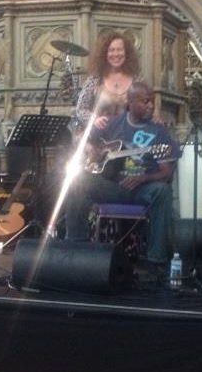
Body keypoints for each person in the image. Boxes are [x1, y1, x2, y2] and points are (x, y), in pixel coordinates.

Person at [66, 82, 179, 266]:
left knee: (163, 191)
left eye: (151, 101)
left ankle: (156, 260)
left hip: (142, 189)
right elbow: (82, 141)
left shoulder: (158, 131)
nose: (150, 105)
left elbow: (166, 172)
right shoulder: (112, 123)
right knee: (77, 181)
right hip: (113, 187)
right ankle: (75, 249)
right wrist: (94, 151)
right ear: (131, 102)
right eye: (145, 101)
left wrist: (143, 178)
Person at [75, 32, 143, 131]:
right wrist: (94, 120)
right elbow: (81, 109)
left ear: (126, 53)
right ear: (104, 54)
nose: (116, 54)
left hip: (127, 136)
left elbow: (145, 107)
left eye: (120, 50)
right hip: (98, 136)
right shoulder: (95, 79)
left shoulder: (137, 80)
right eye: (111, 50)